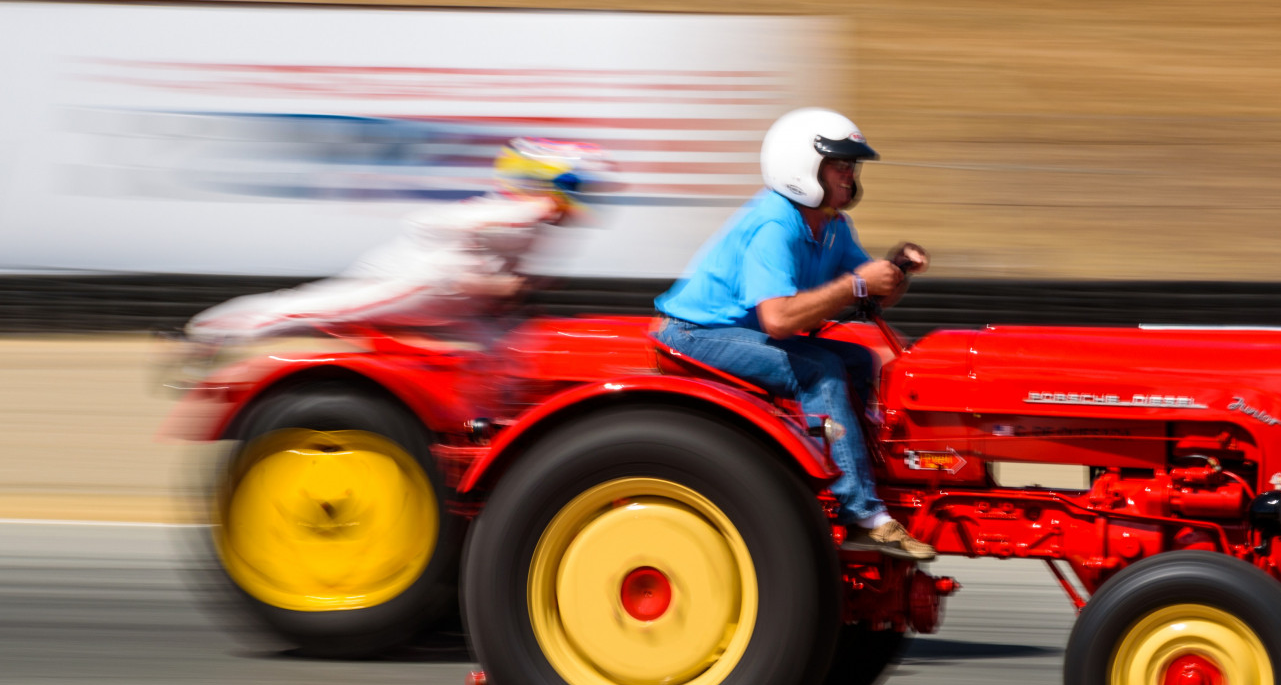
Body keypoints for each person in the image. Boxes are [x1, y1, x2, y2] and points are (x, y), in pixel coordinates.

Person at [654, 107, 934, 560]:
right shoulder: (775, 224)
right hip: (694, 334)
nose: (850, 175)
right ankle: (862, 513)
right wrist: (859, 283)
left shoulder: (831, 226)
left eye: (851, 166)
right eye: (839, 165)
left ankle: (861, 465)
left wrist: (897, 268)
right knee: (818, 366)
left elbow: (870, 296)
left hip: (739, 334)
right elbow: (779, 321)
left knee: (860, 360)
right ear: (802, 168)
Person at [184, 138, 608, 354]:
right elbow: (444, 229)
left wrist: (512, 289)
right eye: (576, 186)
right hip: (421, 277)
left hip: (455, 301)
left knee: (505, 354)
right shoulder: (524, 210)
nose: (585, 197)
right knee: (317, 311)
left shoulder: (537, 217)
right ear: (548, 184)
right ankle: (213, 332)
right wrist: (497, 286)